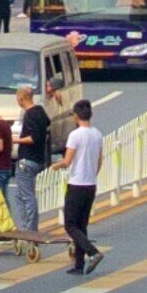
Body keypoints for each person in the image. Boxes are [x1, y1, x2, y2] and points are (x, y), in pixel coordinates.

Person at [61, 100, 105, 273]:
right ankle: (79, 265)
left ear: (76, 116)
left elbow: (67, 161)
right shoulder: (97, 134)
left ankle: (93, 252)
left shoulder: (75, 135)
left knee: (70, 225)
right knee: (81, 225)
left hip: (77, 184)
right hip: (90, 185)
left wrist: (56, 166)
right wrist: (92, 175)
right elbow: (99, 160)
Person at [10, 85, 52, 241]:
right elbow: (47, 126)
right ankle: (24, 228)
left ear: (21, 99)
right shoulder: (40, 110)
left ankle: (31, 231)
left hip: (27, 160)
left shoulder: (29, 114)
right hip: (39, 159)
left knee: (27, 197)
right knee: (18, 195)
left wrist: (15, 140)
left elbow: (34, 138)